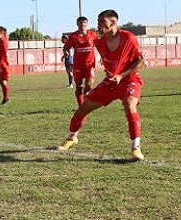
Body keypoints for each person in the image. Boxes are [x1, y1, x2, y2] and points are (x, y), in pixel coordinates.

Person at [57, 10, 147, 162]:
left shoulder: (128, 37)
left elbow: (141, 62)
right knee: (83, 108)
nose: (98, 25)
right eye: (97, 22)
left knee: (129, 104)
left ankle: (135, 148)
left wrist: (121, 75)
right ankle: (72, 137)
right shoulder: (99, 42)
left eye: (101, 22)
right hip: (110, 83)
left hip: (129, 80)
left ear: (113, 22)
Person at [63, 16, 99, 106]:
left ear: (87, 23)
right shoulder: (73, 36)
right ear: (77, 24)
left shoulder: (92, 35)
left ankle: (87, 105)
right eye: (80, 23)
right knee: (79, 88)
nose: (82, 24)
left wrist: (100, 58)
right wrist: (66, 52)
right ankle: (81, 106)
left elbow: (100, 46)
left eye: (84, 22)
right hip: (78, 65)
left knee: (89, 86)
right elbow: (66, 47)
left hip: (90, 64)